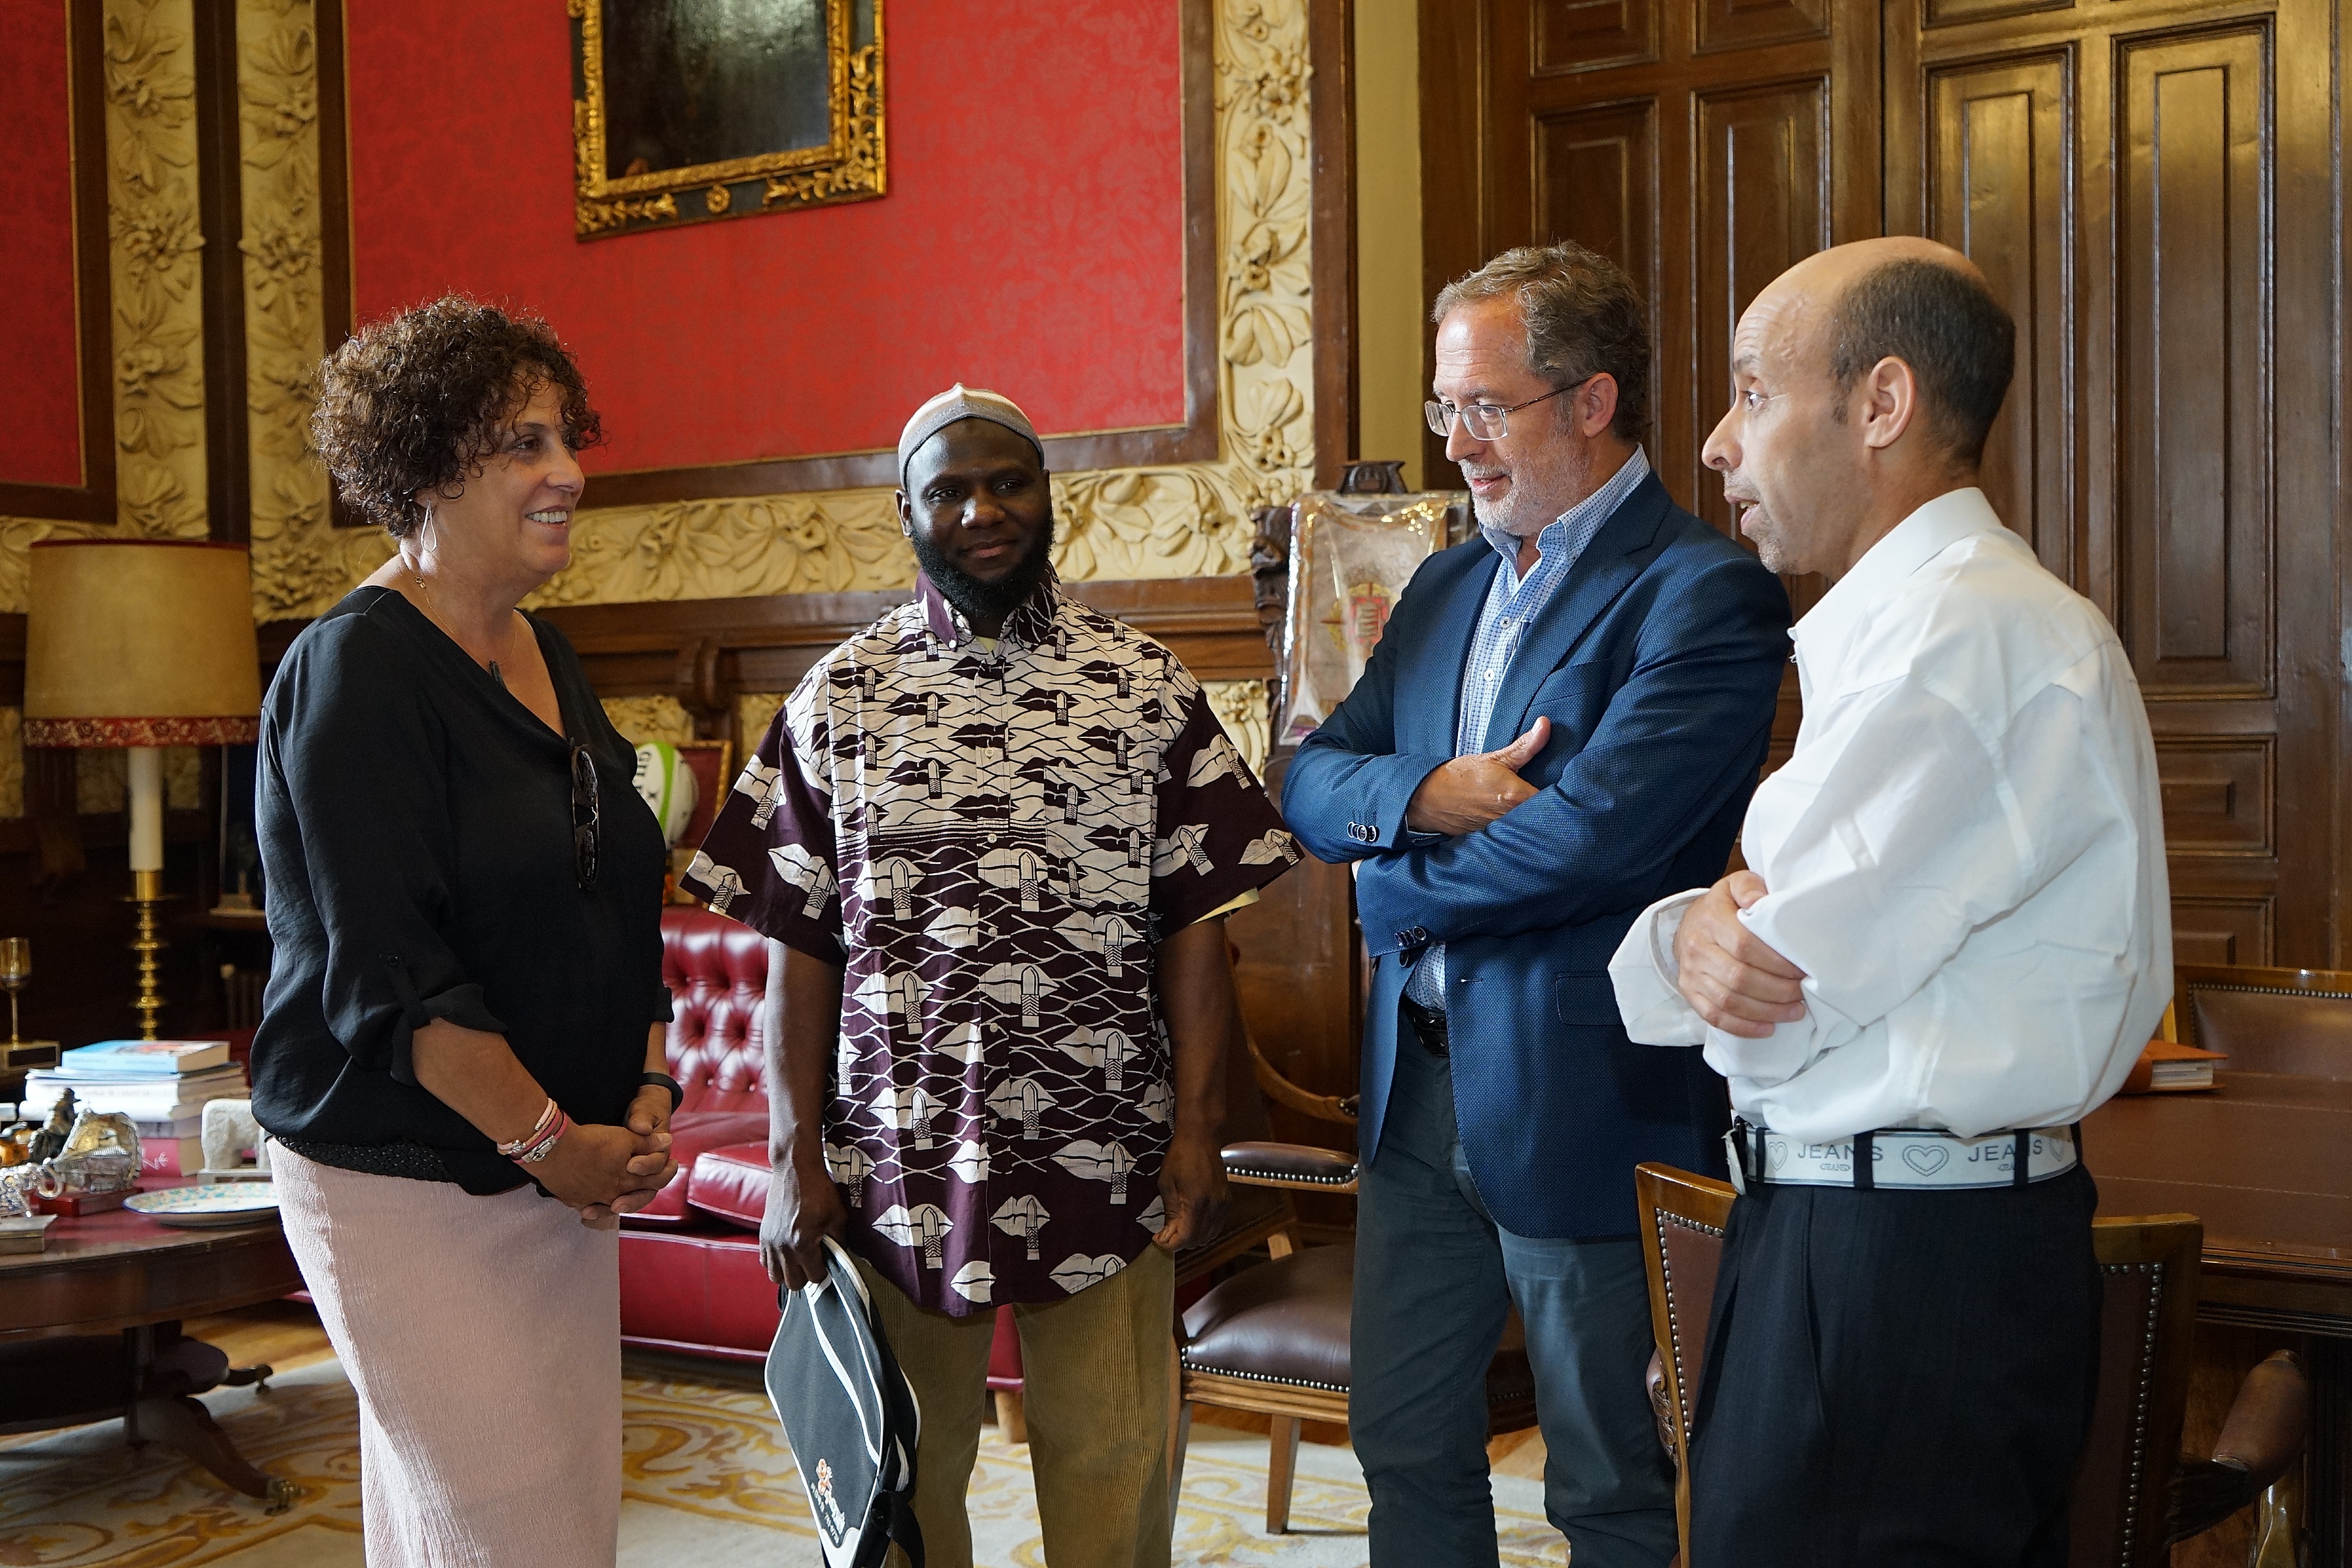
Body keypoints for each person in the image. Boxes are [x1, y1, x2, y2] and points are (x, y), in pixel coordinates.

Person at [1608, 237, 2172, 1565]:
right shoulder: (1929, 627)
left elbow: (1770, 1011)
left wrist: (1701, 935)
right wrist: (1698, 926)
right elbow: (1759, 949)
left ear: (1880, 404)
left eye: (1753, 392)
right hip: (1883, 1242)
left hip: (1896, 1266)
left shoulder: (1958, 638)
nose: (1715, 443)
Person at [684, 385, 1301, 1568]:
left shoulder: (1143, 686)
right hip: (894, 1159)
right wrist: (791, 1156)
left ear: (1047, 497)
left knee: (1114, 1461)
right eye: (949, 491)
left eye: (1007, 483)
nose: (982, 511)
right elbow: (795, 947)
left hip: (1110, 1143)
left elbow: (1196, 929)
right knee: (904, 1478)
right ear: (906, 512)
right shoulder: (837, 700)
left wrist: (1198, 1129)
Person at [1281, 244, 1791, 1567]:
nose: (1455, 443)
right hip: (1412, 1096)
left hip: (1586, 1097)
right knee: (1402, 1444)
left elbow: (1596, 845)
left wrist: (1390, 887)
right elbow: (1311, 779)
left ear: (1589, 400)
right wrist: (1425, 792)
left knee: (1606, 1484)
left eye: (1484, 407)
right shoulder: (1445, 583)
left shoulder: (1703, 592)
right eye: (1444, 407)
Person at [255, 296, 682, 1565]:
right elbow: (396, 979)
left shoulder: (548, 651)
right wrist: (553, 1144)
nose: (569, 473)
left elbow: (616, 893)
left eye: (567, 438)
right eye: (522, 444)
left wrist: (646, 1082)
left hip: (558, 1174)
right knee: (517, 1539)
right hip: (408, 1184)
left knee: (513, 1532)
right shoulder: (356, 668)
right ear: (427, 467)